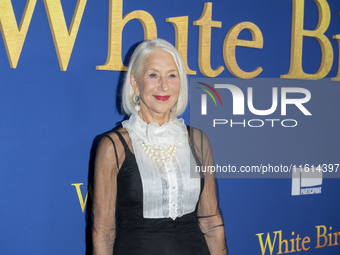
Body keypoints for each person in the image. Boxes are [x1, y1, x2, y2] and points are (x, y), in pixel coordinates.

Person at [91, 38, 227, 255]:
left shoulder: (198, 141)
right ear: (135, 83)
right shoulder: (113, 146)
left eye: (172, 75)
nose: (164, 85)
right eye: (153, 75)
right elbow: (103, 232)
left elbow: (211, 222)